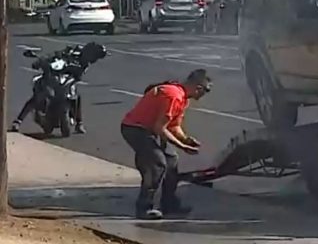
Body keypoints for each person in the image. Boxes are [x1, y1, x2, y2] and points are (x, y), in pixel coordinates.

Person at [121, 69, 212, 220]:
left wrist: (186, 139)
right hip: (135, 129)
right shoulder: (173, 96)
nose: (204, 95)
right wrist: (183, 147)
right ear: (198, 88)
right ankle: (144, 207)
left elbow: (173, 126)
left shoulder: (183, 98)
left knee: (171, 161)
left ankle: (169, 203)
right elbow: (160, 128)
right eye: (206, 91)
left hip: (150, 129)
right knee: (157, 164)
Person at [10, 42, 106, 134]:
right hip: (52, 75)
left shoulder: (85, 64)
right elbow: (55, 54)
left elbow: (79, 75)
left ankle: (79, 123)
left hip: (66, 78)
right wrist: (40, 61)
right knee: (37, 95)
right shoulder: (73, 51)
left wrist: (76, 74)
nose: (93, 58)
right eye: (93, 55)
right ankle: (18, 121)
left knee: (76, 96)